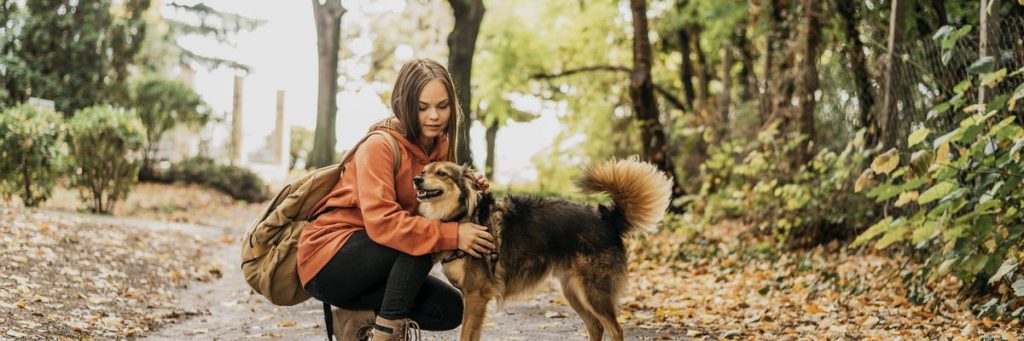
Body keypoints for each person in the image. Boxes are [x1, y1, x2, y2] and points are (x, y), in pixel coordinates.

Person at [297, 59, 496, 341]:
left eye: (443, 106)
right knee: (422, 238)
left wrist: (467, 189)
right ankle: (386, 335)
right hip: (332, 261)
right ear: (404, 104)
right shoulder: (379, 146)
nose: (434, 116)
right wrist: (453, 234)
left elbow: (439, 210)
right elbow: (384, 225)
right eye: (422, 107)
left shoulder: (440, 144)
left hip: (381, 261)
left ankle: (359, 319)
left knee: (449, 309)